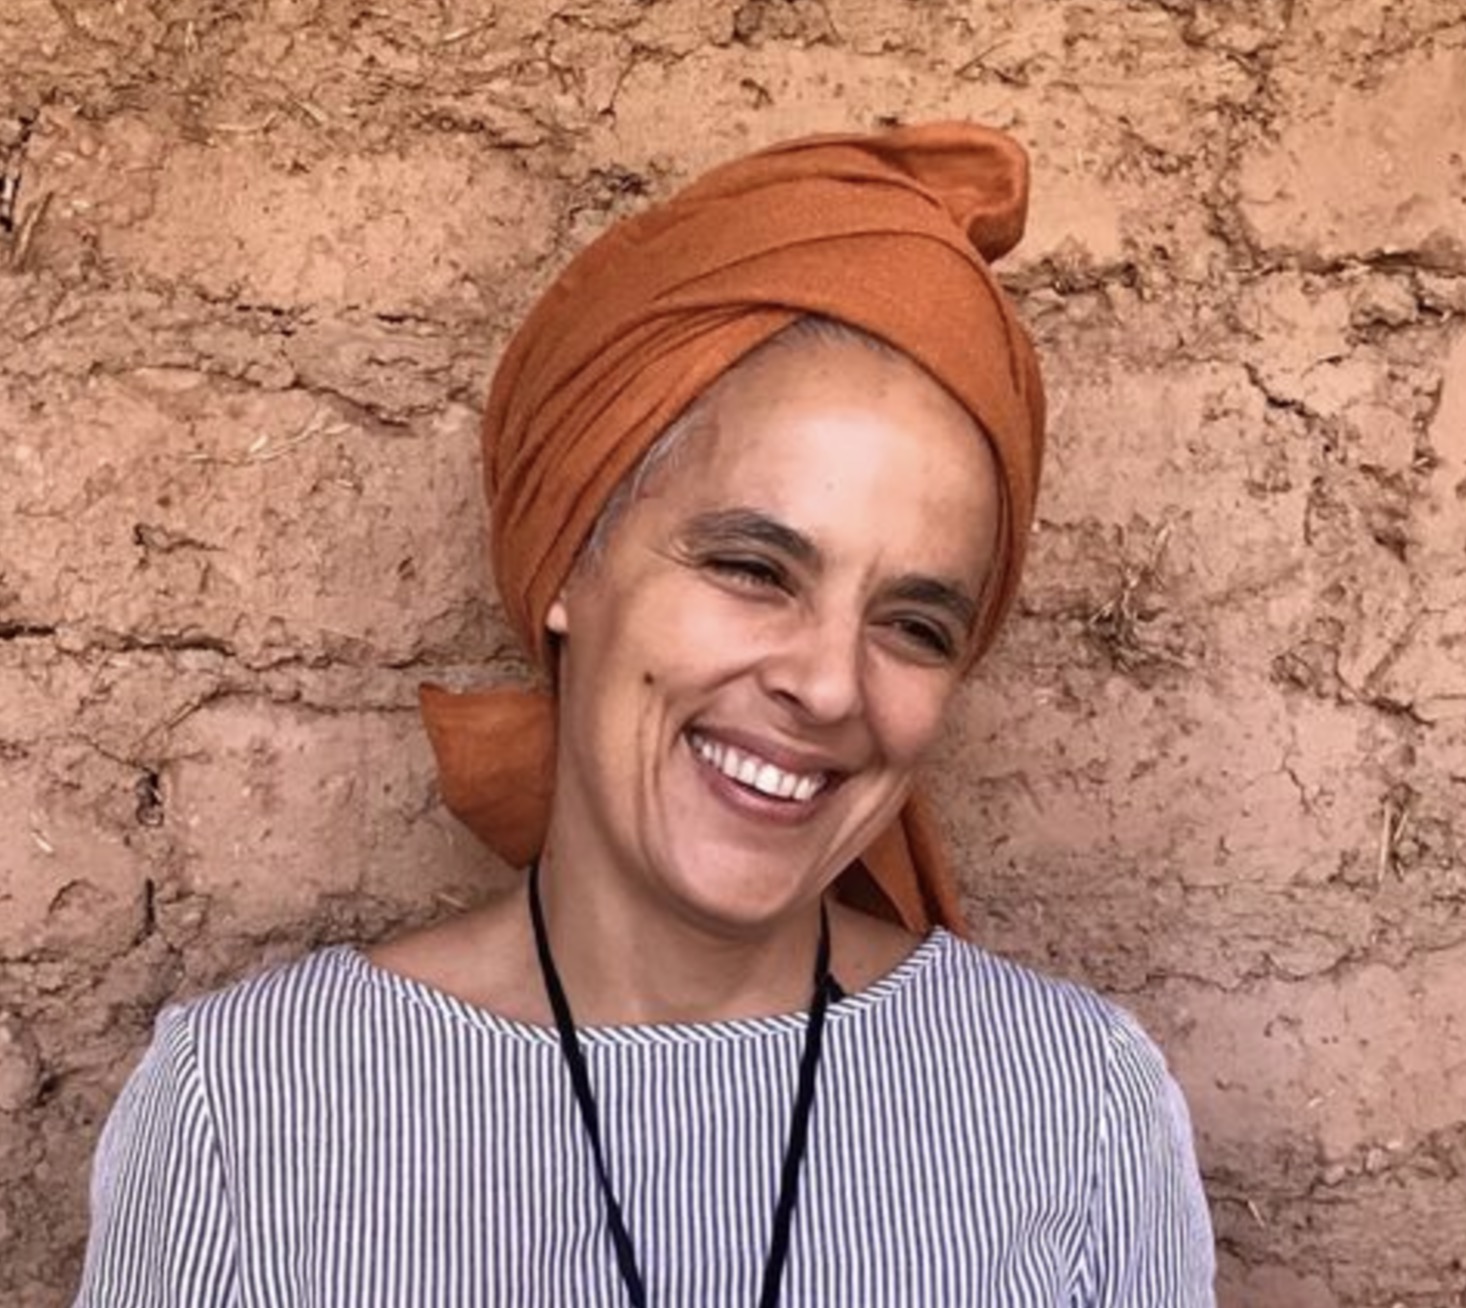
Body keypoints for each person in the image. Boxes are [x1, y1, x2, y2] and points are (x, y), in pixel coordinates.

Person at [73, 122, 1216, 1306]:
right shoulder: (249, 1112)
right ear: (571, 559)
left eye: (914, 626)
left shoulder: (1075, 1111)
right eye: (752, 569)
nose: (828, 685)